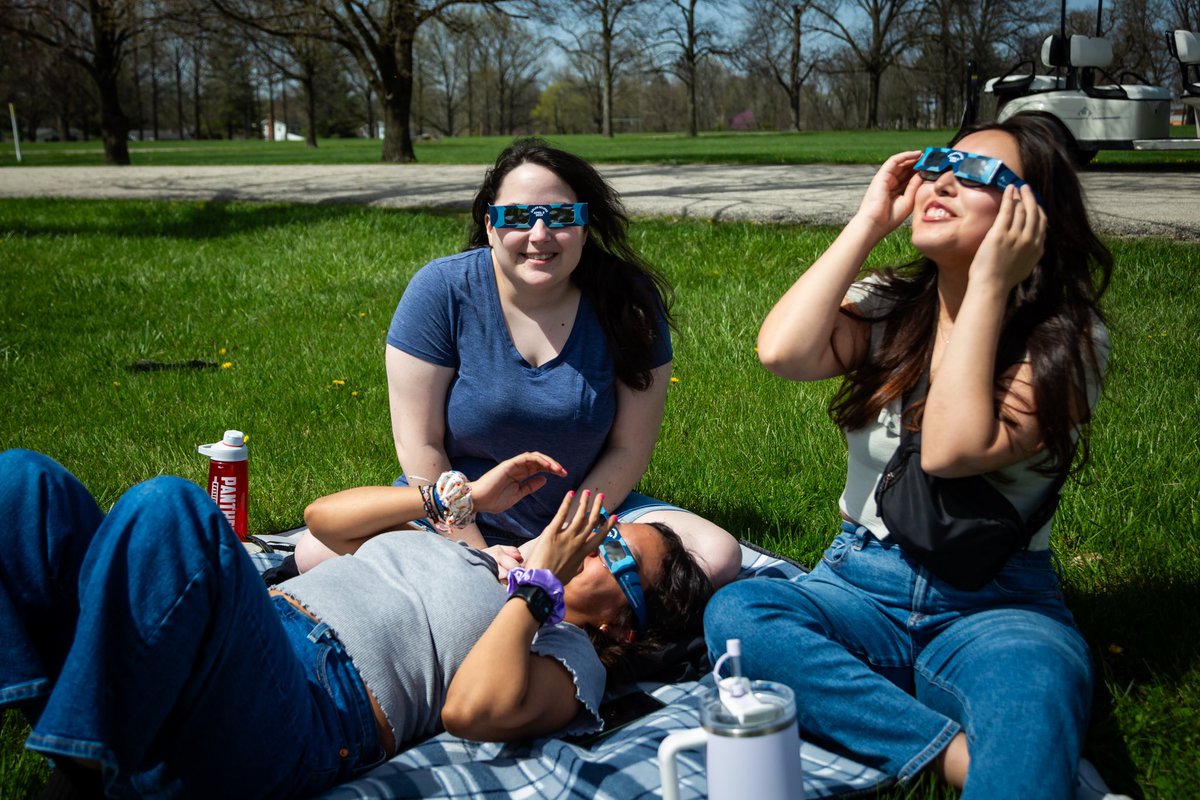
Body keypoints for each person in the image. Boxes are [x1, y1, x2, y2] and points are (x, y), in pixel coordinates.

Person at [704, 112, 1114, 798]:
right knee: (740, 616)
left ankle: (902, 718)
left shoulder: (1067, 341)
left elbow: (952, 452)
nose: (943, 182)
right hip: (858, 583)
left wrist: (986, 285)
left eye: (978, 173)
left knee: (1040, 681)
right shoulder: (892, 308)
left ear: (1033, 216)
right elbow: (782, 351)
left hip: (997, 606)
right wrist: (869, 221)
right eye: (937, 165)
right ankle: (956, 755)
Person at [0, 448, 712, 799]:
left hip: (304, 707)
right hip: (245, 636)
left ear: (623, 628)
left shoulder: (569, 654)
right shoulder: (482, 557)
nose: (593, 537)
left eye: (613, 552)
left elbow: (472, 709)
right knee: (24, 484)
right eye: (609, 527)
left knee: (171, 509)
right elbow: (323, 519)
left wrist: (539, 587)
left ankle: (83, 762)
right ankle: (85, 737)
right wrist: (448, 500)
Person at [293, 137, 742, 586]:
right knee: (315, 551)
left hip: (584, 513)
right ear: (490, 225)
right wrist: (476, 551)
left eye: (563, 217)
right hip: (455, 512)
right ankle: (545, 595)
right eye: (517, 217)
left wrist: (556, 542)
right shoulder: (441, 291)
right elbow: (420, 445)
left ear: (585, 226)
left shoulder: (629, 303)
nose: (540, 235)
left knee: (716, 555)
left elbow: (630, 449)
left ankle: (504, 593)